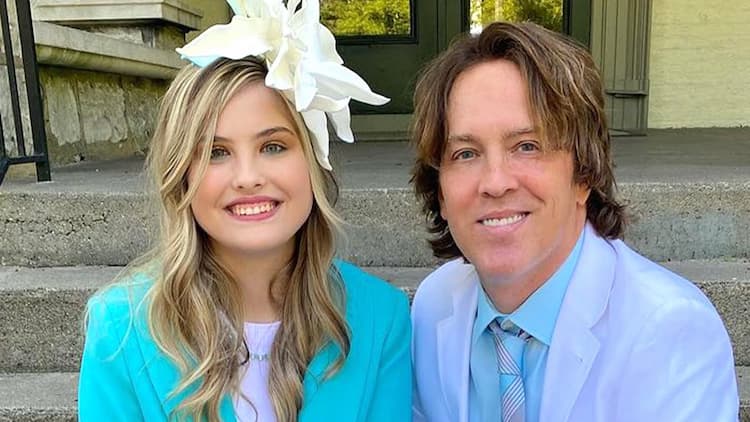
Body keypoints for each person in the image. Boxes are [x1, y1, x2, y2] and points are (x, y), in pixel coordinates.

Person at [78, 1, 411, 421]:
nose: (248, 176)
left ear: (312, 162)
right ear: (181, 174)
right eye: (216, 153)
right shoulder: (120, 329)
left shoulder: (381, 318)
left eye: (273, 146)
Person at [410, 21, 738, 422]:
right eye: (465, 153)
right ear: (440, 192)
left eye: (527, 147)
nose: (494, 183)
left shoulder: (670, 330)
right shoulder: (433, 305)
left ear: (583, 174)